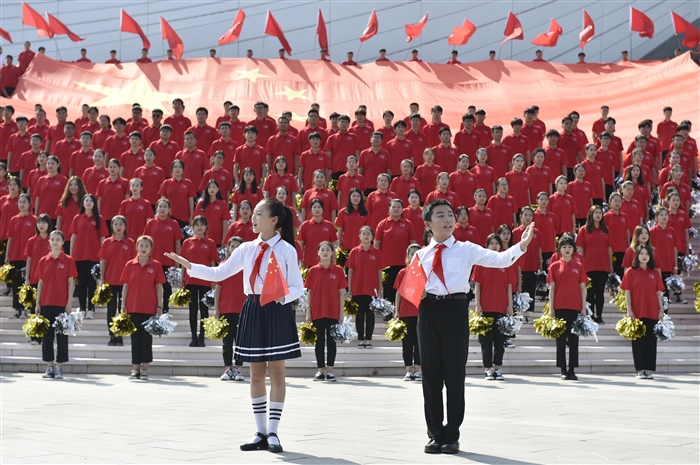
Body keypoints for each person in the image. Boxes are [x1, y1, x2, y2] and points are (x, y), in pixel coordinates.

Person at [166, 199, 304, 453]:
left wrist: (281, 296)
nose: (253, 218)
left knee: (277, 373)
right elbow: (220, 273)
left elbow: (298, 287)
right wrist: (190, 266)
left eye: (259, 214)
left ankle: (273, 431)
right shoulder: (246, 248)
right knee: (256, 374)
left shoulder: (287, 249)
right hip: (253, 308)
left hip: (277, 309)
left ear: (274, 220)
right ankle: (260, 432)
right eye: (253, 213)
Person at [413, 199, 534, 454]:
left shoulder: (465, 249)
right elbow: (410, 289)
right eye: (440, 215)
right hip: (428, 312)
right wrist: (416, 293)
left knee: (454, 375)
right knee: (431, 376)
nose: (447, 219)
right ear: (428, 224)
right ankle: (434, 434)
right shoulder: (420, 255)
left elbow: (501, 260)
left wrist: (521, 246)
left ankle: (452, 435)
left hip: (455, 310)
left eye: (449, 214)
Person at [120, 235, 166, 380]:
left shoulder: (156, 265)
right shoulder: (129, 265)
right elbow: (125, 285)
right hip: (133, 306)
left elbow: (159, 287)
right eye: (141, 245)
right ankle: (135, 369)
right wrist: (123, 304)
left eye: (147, 246)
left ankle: (145, 369)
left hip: (149, 307)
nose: (144, 248)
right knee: (135, 339)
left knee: (146, 339)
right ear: (137, 248)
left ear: (151, 249)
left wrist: (159, 306)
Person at [36, 230, 77, 380]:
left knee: (62, 337)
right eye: (52, 239)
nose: (55, 242)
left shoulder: (68, 260)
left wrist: (69, 302)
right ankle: (49, 366)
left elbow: (71, 282)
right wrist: (37, 303)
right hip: (46, 303)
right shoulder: (43, 260)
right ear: (49, 241)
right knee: (47, 337)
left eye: (58, 239)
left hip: (61, 304)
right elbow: (41, 282)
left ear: (63, 242)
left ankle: (59, 367)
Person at [474, 233, 515, 380]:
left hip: (501, 307)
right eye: (491, 243)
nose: (494, 246)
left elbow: (509, 286)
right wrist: (477, 304)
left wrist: (510, 305)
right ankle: (487, 369)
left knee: (499, 341)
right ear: (486, 245)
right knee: (486, 341)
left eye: (496, 243)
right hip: (485, 307)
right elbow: (477, 285)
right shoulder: (480, 263)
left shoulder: (505, 263)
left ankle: (498, 368)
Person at [620, 244, 665, 379]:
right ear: (637, 256)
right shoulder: (630, 272)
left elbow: (658, 293)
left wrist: (661, 310)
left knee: (651, 341)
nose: (644, 256)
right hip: (637, 311)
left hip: (652, 311)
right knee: (638, 341)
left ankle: (648, 369)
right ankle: (639, 369)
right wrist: (629, 310)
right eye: (641, 254)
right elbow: (627, 292)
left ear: (650, 256)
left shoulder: (654, 273)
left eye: (647, 254)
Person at [547, 232, 587, 381]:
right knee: (561, 340)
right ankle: (563, 369)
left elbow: (583, 288)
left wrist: (583, 308)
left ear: (574, 249)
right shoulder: (555, 266)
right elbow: (552, 288)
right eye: (564, 247)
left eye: (570, 247)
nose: (567, 249)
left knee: (574, 340)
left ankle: (572, 369)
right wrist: (551, 308)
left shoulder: (579, 266)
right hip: (560, 306)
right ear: (560, 249)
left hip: (575, 307)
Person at [305, 241, 346, 381]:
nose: (325, 252)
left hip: (333, 311)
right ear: (318, 253)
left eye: (328, 250)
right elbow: (310, 292)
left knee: (331, 342)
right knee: (319, 343)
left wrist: (341, 312)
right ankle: (320, 370)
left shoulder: (338, 270)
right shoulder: (313, 271)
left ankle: (330, 370)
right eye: (322, 250)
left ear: (333, 253)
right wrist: (308, 311)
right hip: (317, 311)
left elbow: (341, 293)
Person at [180, 215, 219, 347]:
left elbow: (212, 262)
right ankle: (193, 337)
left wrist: (214, 279)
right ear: (193, 227)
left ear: (206, 227)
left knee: (204, 310)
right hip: (190, 280)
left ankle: (202, 337)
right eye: (196, 225)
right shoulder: (187, 242)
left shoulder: (210, 243)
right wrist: (182, 279)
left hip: (205, 280)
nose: (199, 227)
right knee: (192, 310)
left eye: (202, 225)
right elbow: (183, 263)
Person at [98, 216, 136, 346]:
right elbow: (103, 261)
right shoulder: (107, 242)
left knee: (123, 309)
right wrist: (102, 279)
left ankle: (120, 335)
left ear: (125, 226)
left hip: (126, 282)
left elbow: (133, 263)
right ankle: (112, 335)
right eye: (115, 224)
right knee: (111, 309)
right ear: (112, 226)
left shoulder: (131, 243)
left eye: (121, 224)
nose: (118, 227)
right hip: (111, 280)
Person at [214, 236, 246, 382]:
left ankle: (238, 368)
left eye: (237, 247)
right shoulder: (223, 265)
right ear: (228, 248)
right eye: (232, 246)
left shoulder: (247, 266)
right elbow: (218, 288)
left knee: (241, 342)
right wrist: (216, 308)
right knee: (227, 342)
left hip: (243, 309)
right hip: (226, 308)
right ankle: (227, 368)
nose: (234, 249)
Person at [347, 225, 384, 349]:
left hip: (372, 289)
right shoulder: (354, 252)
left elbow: (379, 271)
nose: (366, 236)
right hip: (357, 287)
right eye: (364, 234)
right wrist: (350, 288)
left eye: (369, 234)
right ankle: (360, 339)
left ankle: (368, 339)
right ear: (359, 236)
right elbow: (351, 270)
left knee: (370, 315)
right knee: (359, 314)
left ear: (372, 236)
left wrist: (380, 288)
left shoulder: (376, 252)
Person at [375, 198, 418, 303]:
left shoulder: (408, 224)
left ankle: (400, 311)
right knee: (388, 291)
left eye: (398, 207)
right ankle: (389, 311)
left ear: (402, 209)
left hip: (403, 264)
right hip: (386, 264)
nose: (396, 209)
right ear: (389, 209)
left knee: (402, 291)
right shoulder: (382, 224)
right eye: (393, 207)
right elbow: (377, 244)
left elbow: (412, 243)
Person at [144, 199, 183, 313]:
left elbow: (177, 242)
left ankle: (165, 310)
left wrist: (177, 260)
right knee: (151, 286)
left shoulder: (174, 224)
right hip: (152, 260)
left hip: (168, 261)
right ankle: (152, 309)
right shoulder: (151, 223)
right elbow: (145, 241)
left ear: (169, 209)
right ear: (156, 208)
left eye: (165, 207)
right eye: (160, 206)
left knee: (166, 287)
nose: (162, 209)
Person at [576, 205, 612, 324]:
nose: (598, 215)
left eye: (600, 213)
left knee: (600, 292)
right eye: (596, 213)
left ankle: (599, 315)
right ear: (591, 215)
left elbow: (609, 248)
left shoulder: (606, 230)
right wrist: (580, 265)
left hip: (603, 266)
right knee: (590, 293)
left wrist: (610, 264)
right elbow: (580, 249)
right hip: (589, 266)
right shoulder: (583, 230)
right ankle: (590, 316)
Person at [393, 244, 422, 381]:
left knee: (420, 343)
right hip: (405, 312)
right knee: (407, 343)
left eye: (417, 254)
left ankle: (418, 371)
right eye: (412, 254)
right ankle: (408, 371)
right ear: (408, 256)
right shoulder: (402, 272)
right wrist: (397, 310)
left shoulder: (425, 272)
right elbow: (398, 293)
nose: (414, 256)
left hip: (421, 312)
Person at [5, 194, 35, 317]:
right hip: (15, 254)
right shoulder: (14, 220)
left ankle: (27, 308)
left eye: (24, 202)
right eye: (20, 202)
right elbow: (10, 238)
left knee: (27, 283)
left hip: (28, 256)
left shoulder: (34, 220)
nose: (22, 204)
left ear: (29, 203)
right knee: (16, 283)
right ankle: (17, 309)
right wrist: (7, 254)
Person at [513, 206, 542, 320]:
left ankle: (529, 313)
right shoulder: (515, 232)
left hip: (532, 265)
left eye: (530, 215)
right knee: (520, 290)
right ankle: (520, 312)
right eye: (525, 215)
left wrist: (540, 263)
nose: (527, 217)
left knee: (531, 290)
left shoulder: (536, 232)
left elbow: (539, 248)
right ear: (520, 217)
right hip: (520, 266)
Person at [299, 199, 337, 268]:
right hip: (309, 261)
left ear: (323, 209)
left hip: (326, 262)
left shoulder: (329, 225)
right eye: (314, 207)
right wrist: (301, 260)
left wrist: (333, 260)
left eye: (319, 207)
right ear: (310, 210)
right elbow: (301, 244)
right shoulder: (305, 225)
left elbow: (333, 244)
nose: (317, 209)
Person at [193, 180, 231, 246]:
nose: (212, 189)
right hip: (202, 237)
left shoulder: (222, 204)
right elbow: (195, 221)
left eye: (214, 187)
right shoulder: (201, 204)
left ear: (218, 189)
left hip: (217, 237)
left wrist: (224, 238)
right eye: (209, 187)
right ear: (207, 189)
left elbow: (225, 222)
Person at [97, 159, 130, 233]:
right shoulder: (102, 183)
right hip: (106, 215)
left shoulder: (125, 182)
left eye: (114, 167)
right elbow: (100, 200)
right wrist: (98, 214)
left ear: (119, 168)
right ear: (107, 168)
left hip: (120, 216)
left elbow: (127, 199)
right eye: (110, 167)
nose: (112, 169)